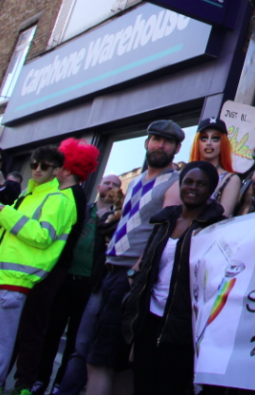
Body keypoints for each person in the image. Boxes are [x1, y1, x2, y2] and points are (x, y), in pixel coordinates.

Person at [80, 120, 183, 395]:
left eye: (167, 141)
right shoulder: (135, 181)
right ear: (147, 143)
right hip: (109, 272)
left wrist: (135, 272)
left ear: (177, 148)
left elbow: (164, 231)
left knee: (101, 358)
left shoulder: (174, 183)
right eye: (156, 139)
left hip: (131, 276)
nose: (161, 145)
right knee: (107, 356)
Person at [0, 146, 77, 395]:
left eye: (44, 166)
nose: (37, 169)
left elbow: (43, 236)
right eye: (34, 164)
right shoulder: (27, 195)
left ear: (56, 170)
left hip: (15, 281)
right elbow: (8, 234)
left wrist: (7, 214)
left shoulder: (60, 199)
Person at [122, 161, 224, 395]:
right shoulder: (165, 221)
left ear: (210, 190)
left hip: (184, 329)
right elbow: (147, 268)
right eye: (188, 182)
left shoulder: (216, 227)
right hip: (149, 321)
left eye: (201, 184)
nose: (193, 187)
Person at [13, 139, 100, 395]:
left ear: (68, 168)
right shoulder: (63, 194)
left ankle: (27, 382)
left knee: (34, 326)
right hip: (44, 268)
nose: (46, 169)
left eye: (55, 164)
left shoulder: (69, 197)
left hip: (51, 270)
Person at [42, 176, 121, 395]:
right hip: (65, 279)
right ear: (98, 187)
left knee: (76, 341)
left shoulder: (116, 218)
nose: (111, 187)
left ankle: (61, 384)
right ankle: (40, 380)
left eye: (116, 185)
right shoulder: (83, 210)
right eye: (108, 183)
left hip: (90, 285)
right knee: (51, 332)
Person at [162, 118, 240, 216]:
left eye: (215, 138)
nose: (209, 143)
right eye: (204, 138)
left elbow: (223, 218)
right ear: (197, 142)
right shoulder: (181, 175)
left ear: (223, 143)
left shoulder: (231, 180)